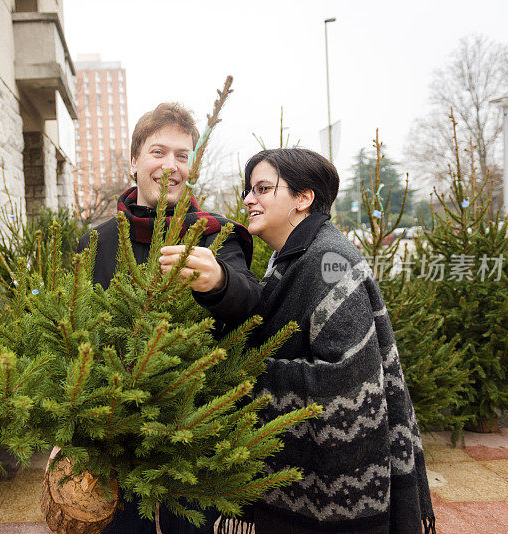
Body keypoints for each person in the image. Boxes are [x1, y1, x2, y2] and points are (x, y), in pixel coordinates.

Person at [160, 148, 435, 533]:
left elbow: (346, 379)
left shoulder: (329, 261)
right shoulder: (291, 258)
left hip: (332, 494)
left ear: (304, 199)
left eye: (263, 188)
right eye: (248, 189)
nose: (248, 200)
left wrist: (239, 374)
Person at [77, 102, 261, 534]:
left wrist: (218, 281)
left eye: (183, 155)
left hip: (194, 433)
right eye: (158, 152)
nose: (171, 166)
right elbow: (75, 334)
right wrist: (68, 431)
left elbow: (252, 302)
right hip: (115, 436)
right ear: (135, 161)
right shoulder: (98, 242)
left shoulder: (216, 234)